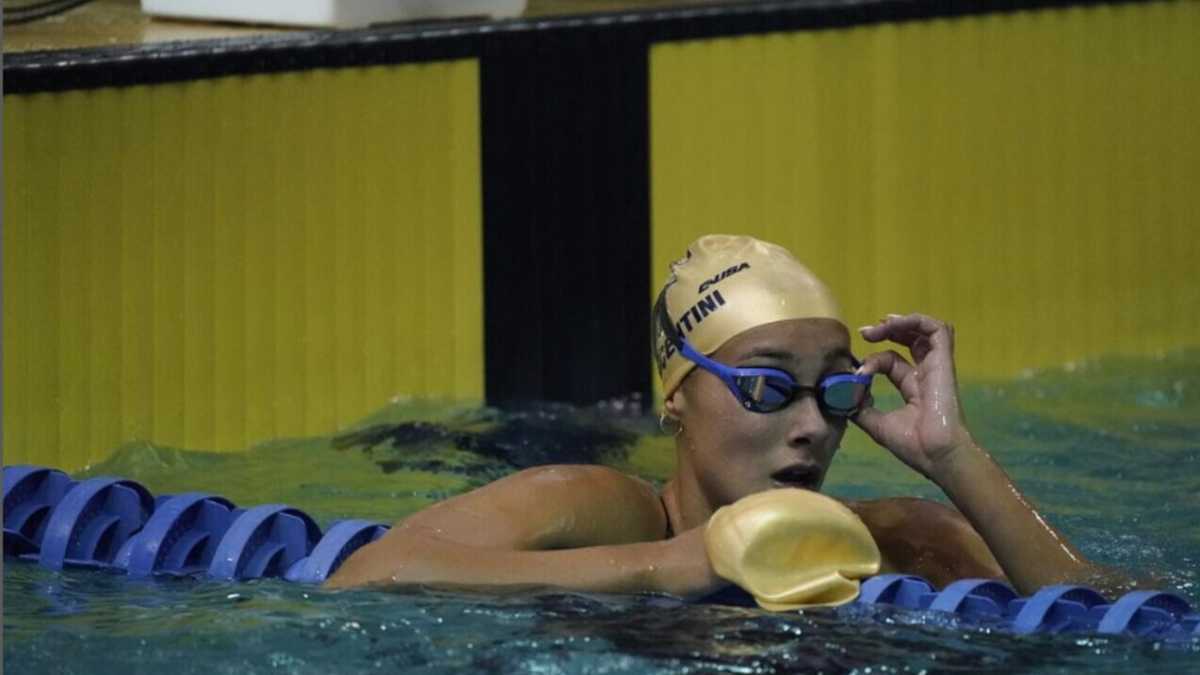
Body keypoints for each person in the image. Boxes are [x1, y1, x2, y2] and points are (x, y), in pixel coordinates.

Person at [327, 234, 1128, 599]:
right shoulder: (606, 512)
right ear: (676, 396)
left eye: (836, 390)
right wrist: (676, 564)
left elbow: (1122, 622)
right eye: (768, 388)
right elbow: (368, 571)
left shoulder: (893, 538)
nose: (813, 423)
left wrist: (955, 456)